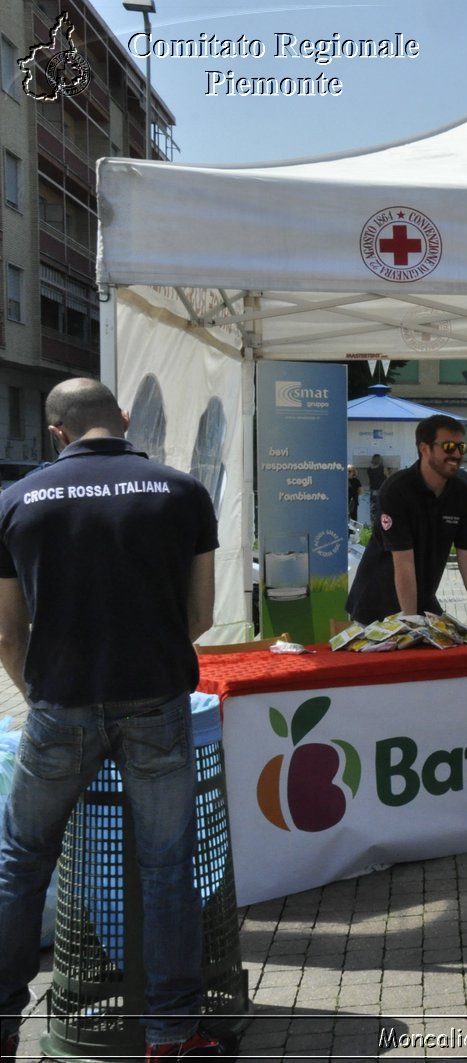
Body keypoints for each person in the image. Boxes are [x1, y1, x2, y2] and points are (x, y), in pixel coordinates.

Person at [0, 378, 225, 1060]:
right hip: (155, 702)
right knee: (167, 867)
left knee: (20, 863)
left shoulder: (15, 500)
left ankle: (3, 1025)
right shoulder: (181, 491)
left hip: (59, 706)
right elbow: (201, 615)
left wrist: (43, 692)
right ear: (123, 419)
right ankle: (170, 1034)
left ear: (55, 432)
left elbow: (8, 635)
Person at [345, 416, 467, 624]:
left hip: (423, 601)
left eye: (461, 447)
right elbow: (404, 562)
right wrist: (410, 622)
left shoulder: (462, 494)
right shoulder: (397, 490)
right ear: (424, 448)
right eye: (448, 446)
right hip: (375, 607)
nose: (456, 453)